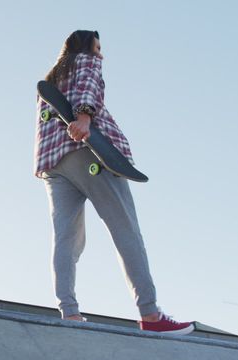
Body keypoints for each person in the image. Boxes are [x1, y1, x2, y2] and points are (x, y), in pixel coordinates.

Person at [34, 30, 194, 334]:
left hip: (54, 165)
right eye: (98, 47)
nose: (100, 54)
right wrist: (84, 117)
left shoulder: (52, 78)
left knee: (66, 238)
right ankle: (150, 314)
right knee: (126, 229)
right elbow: (88, 86)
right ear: (86, 47)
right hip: (89, 152)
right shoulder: (86, 62)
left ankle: (69, 313)